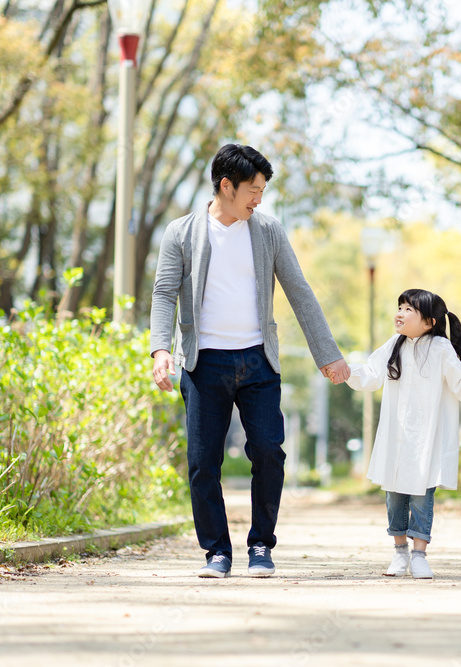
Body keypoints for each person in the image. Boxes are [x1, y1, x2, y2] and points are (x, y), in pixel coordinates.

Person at [149, 143, 350, 579]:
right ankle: (216, 552)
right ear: (226, 186)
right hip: (204, 365)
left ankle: (261, 545)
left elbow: (299, 291)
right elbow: (164, 292)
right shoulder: (181, 233)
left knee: (268, 452)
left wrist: (327, 355)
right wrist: (160, 349)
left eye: (262, 191)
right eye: (253, 191)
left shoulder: (268, 231)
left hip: (259, 362)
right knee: (204, 462)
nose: (258, 200)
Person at [339, 288, 461, 579]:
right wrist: (347, 372)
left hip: (427, 437)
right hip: (397, 436)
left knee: (422, 496)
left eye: (409, 309)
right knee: (394, 496)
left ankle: (419, 554)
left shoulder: (441, 348)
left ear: (429, 322)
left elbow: (460, 382)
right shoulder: (395, 344)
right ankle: (399, 551)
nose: (400, 313)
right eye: (400, 307)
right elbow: (371, 373)